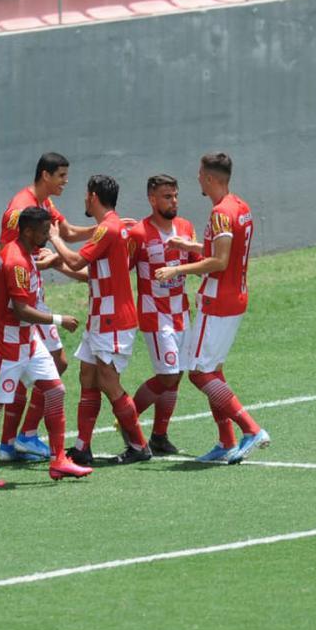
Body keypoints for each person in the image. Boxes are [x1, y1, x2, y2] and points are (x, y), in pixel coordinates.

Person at [0, 206, 92, 488]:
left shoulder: (19, 253)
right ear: (27, 231)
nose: (48, 235)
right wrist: (59, 319)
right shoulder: (15, 261)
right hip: (7, 345)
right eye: (45, 231)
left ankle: (58, 459)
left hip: (28, 340)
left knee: (56, 390)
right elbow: (21, 310)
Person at [155, 152, 270, 463]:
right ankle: (225, 441)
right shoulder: (240, 207)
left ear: (210, 179)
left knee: (199, 374)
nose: (197, 178)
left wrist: (176, 270)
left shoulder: (220, 213)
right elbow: (226, 253)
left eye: (200, 174)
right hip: (235, 297)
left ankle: (250, 429)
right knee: (212, 370)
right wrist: (190, 246)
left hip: (218, 301)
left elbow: (219, 262)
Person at [0, 152, 97, 463]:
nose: (66, 182)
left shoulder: (44, 204)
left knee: (40, 369)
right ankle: (23, 436)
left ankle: (9, 443)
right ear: (44, 175)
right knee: (55, 365)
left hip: (33, 295)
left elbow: (64, 233)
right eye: (61, 176)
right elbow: (4, 254)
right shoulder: (19, 210)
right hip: (23, 300)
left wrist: (102, 229)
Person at [48, 175, 151, 465]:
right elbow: (91, 274)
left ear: (93, 196)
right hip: (101, 318)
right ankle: (83, 447)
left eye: (85, 194)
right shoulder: (110, 228)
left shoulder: (108, 228)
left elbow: (78, 261)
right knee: (88, 378)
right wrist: (59, 262)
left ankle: (139, 445)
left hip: (113, 320)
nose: (83, 199)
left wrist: (56, 241)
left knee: (107, 380)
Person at [127, 175, 200, 455]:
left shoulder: (185, 228)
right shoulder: (139, 233)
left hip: (182, 313)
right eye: (167, 197)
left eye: (175, 195)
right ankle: (127, 419)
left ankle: (159, 436)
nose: (173, 201)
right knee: (168, 375)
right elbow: (124, 270)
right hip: (154, 315)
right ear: (152, 199)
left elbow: (199, 263)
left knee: (176, 376)